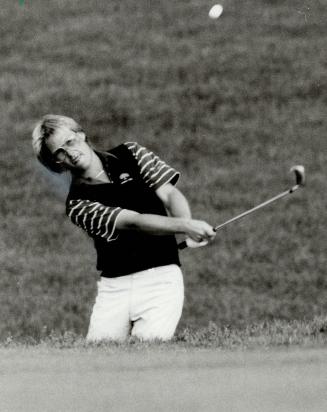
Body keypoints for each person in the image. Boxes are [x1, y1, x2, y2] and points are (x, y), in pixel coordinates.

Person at [32, 114, 216, 341]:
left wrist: (186, 223)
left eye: (70, 142)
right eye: (59, 153)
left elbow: (168, 193)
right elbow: (133, 222)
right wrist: (185, 226)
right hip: (114, 288)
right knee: (98, 363)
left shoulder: (132, 153)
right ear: (56, 164)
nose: (70, 153)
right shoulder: (77, 205)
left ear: (81, 135)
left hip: (160, 278)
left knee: (148, 353)